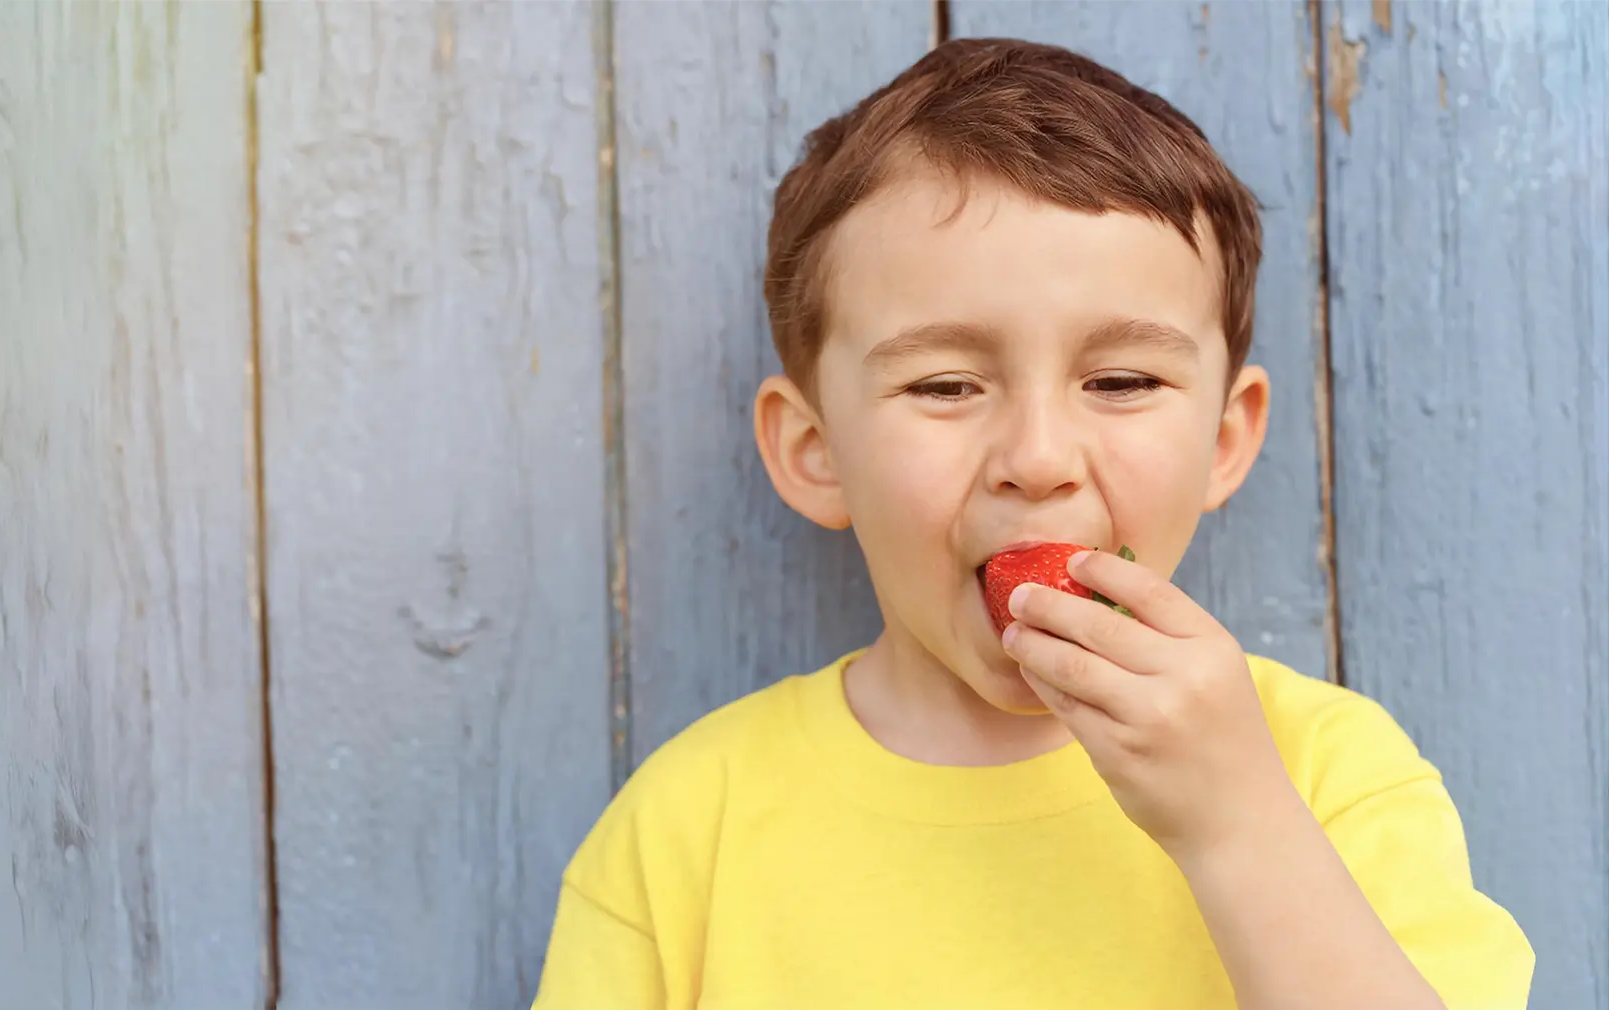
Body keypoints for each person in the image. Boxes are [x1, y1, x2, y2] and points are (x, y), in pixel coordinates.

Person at [532, 37, 1532, 1010]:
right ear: (813, 450)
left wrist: (1234, 826)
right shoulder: (687, 829)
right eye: (943, 383)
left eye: (1121, 379)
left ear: (1223, 439)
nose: (1039, 457)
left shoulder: (1322, 777)